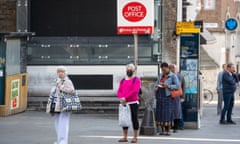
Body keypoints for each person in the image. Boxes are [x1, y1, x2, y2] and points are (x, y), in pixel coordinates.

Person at [117, 63, 141, 143]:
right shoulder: (123, 80)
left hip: (133, 102)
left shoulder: (136, 80)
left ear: (134, 70)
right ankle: (125, 137)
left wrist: (125, 97)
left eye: (130, 69)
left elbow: (135, 91)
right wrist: (121, 97)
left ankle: (135, 137)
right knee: (124, 120)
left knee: (134, 119)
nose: (129, 70)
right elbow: (119, 90)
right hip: (124, 102)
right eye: (127, 69)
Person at [155, 62, 180, 136]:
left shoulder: (173, 76)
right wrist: (157, 85)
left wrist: (168, 86)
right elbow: (156, 83)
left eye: (164, 70)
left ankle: (168, 130)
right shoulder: (160, 75)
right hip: (160, 95)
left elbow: (177, 86)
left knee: (168, 113)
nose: (163, 71)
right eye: (162, 70)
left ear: (167, 68)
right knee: (160, 113)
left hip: (167, 96)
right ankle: (162, 130)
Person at [51, 66, 75, 144]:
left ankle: (63, 141)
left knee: (63, 124)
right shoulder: (57, 80)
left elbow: (71, 91)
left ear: (65, 73)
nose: (60, 73)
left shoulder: (67, 81)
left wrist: (62, 88)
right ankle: (59, 140)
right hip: (57, 105)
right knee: (57, 123)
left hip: (65, 105)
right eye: (58, 71)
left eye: (62, 71)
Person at [169, 64, 185, 132]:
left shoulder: (179, 76)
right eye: (172, 68)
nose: (173, 70)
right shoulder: (170, 76)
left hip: (176, 96)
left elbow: (183, 87)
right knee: (176, 111)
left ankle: (179, 125)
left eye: (174, 68)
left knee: (178, 112)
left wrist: (182, 97)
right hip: (172, 96)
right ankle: (175, 125)